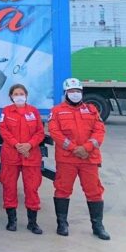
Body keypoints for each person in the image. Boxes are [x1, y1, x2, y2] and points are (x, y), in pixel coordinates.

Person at [48, 78, 110, 240]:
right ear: (65, 93)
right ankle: (62, 223)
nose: (75, 94)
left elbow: (99, 132)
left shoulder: (92, 110)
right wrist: (74, 148)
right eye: (71, 91)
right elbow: (55, 133)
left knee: (94, 191)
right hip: (67, 159)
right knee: (62, 189)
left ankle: (98, 225)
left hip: (89, 159)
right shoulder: (56, 111)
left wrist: (87, 148)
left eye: (78, 91)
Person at [0, 84, 45, 234]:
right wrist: (17, 145)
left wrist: (29, 145)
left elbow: (40, 132)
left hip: (30, 155)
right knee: (9, 187)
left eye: (21, 93)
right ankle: (12, 221)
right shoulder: (6, 111)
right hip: (11, 155)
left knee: (32, 188)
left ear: (26, 95)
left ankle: (33, 222)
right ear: (11, 96)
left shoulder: (33, 111)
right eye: (15, 93)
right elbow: (3, 130)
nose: (19, 96)